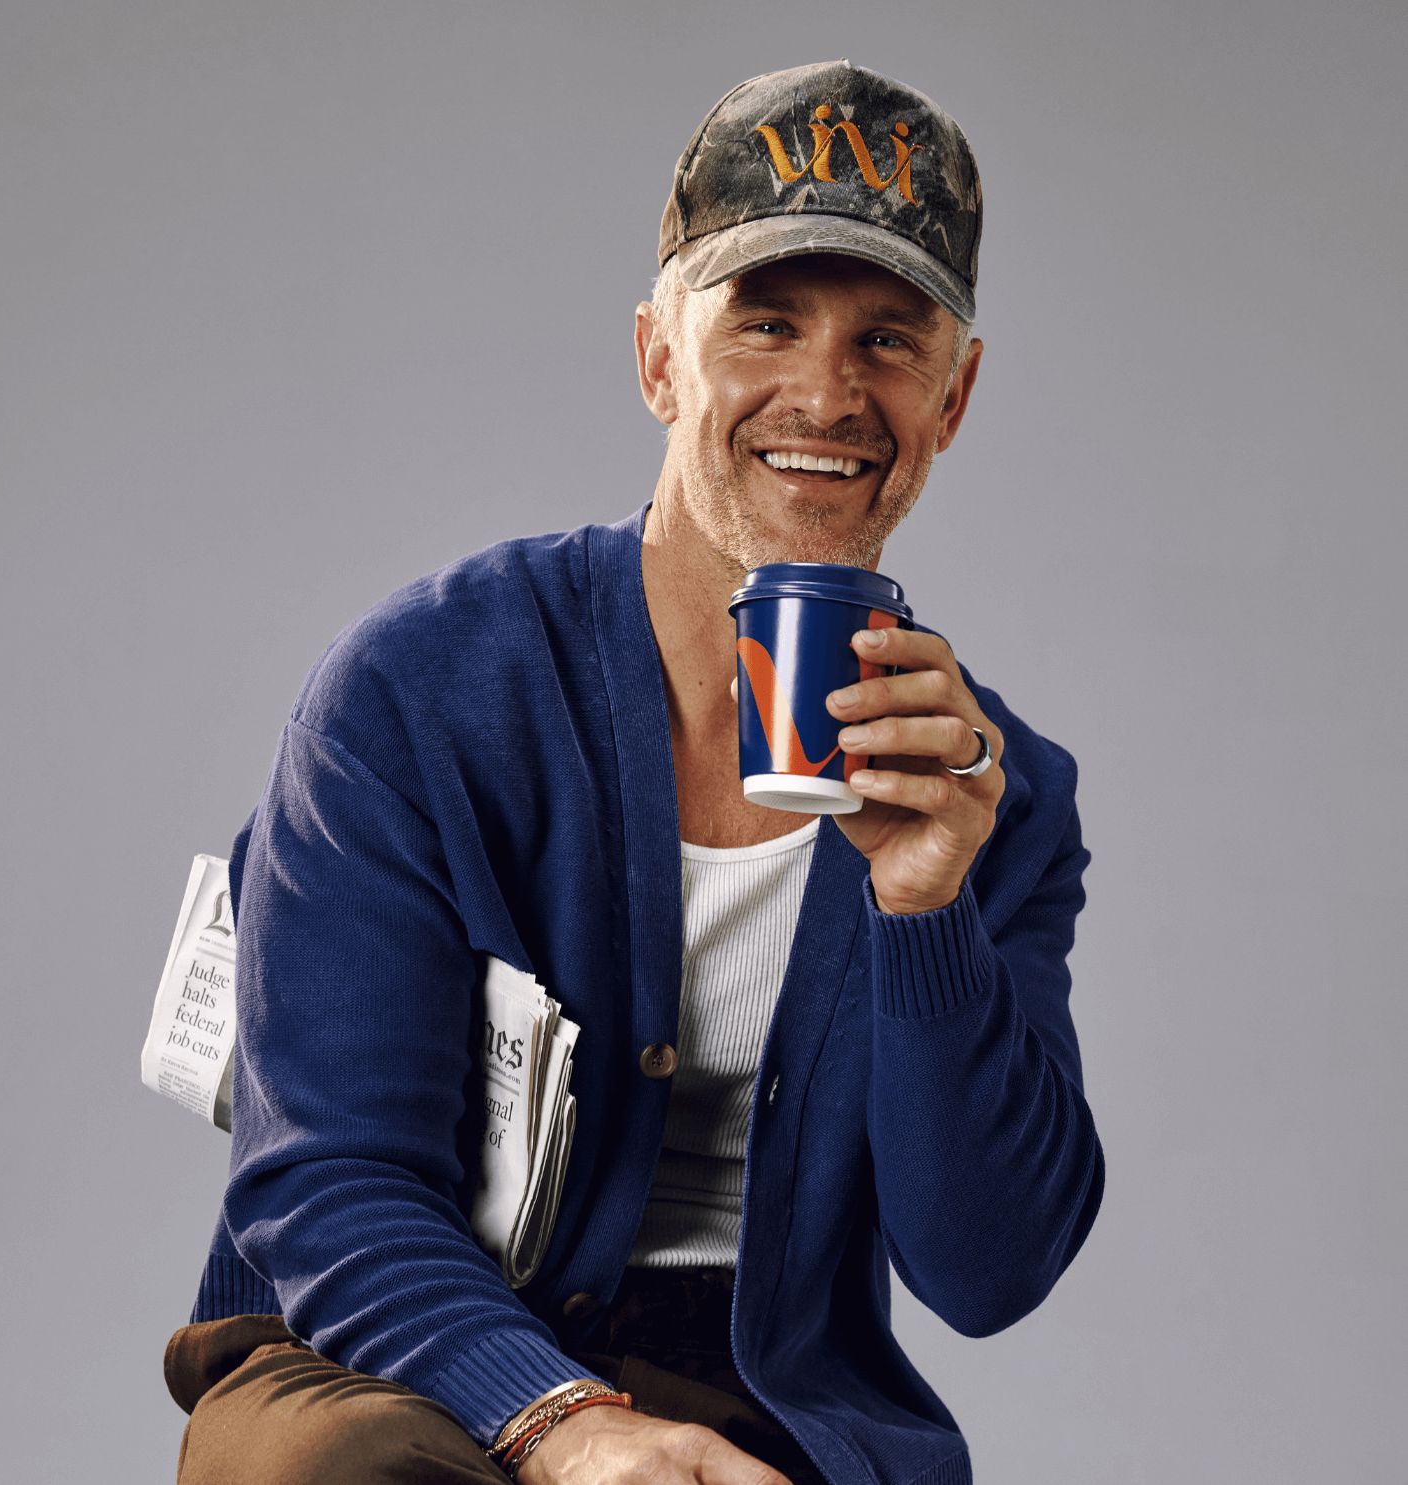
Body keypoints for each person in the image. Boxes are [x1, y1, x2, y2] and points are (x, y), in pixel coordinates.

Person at [165, 60, 1104, 1485]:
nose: (827, 393)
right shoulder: (418, 689)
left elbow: (991, 1269)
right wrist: (567, 1423)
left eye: (890, 342)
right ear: (662, 357)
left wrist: (927, 910)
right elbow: (328, 1181)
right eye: (765, 325)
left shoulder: (994, 793)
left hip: (764, 1392)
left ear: (953, 396)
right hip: (371, 1351)